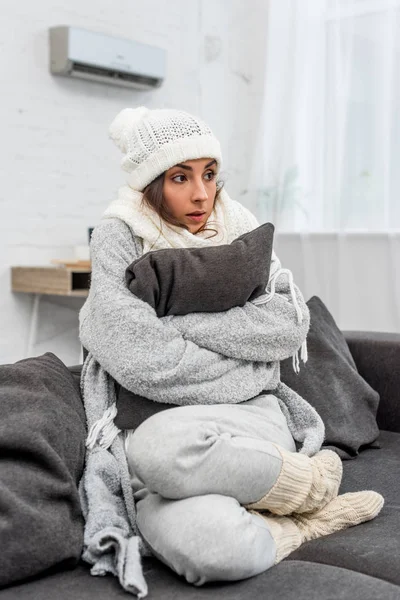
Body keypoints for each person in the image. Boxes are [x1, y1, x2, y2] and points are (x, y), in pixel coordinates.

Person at [78, 106, 384, 598]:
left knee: (160, 448)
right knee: (214, 549)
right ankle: (305, 515)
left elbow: (287, 324)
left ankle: (295, 486)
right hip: (155, 440)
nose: (202, 193)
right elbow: (138, 357)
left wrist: (174, 322)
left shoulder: (239, 227)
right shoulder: (119, 235)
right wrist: (244, 360)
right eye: (180, 177)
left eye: (210, 174)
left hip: (251, 421)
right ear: (150, 183)